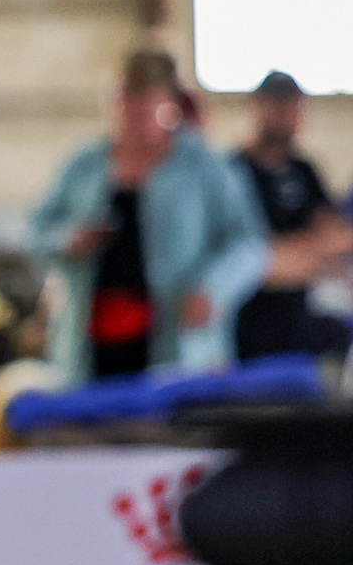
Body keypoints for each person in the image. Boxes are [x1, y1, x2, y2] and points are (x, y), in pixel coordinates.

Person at [27, 49, 269, 383]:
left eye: (146, 107)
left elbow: (250, 245)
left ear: (170, 105)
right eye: (127, 104)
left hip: (178, 351)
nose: (135, 118)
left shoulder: (204, 168)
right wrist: (69, 240)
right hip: (89, 354)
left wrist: (212, 289)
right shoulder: (84, 167)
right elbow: (37, 231)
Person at [231, 71, 353, 363]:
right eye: (279, 105)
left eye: (295, 107)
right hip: (250, 327)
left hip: (303, 318)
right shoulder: (235, 173)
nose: (288, 116)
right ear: (259, 105)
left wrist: (291, 255)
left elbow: (338, 239)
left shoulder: (304, 170)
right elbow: (256, 261)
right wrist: (309, 251)